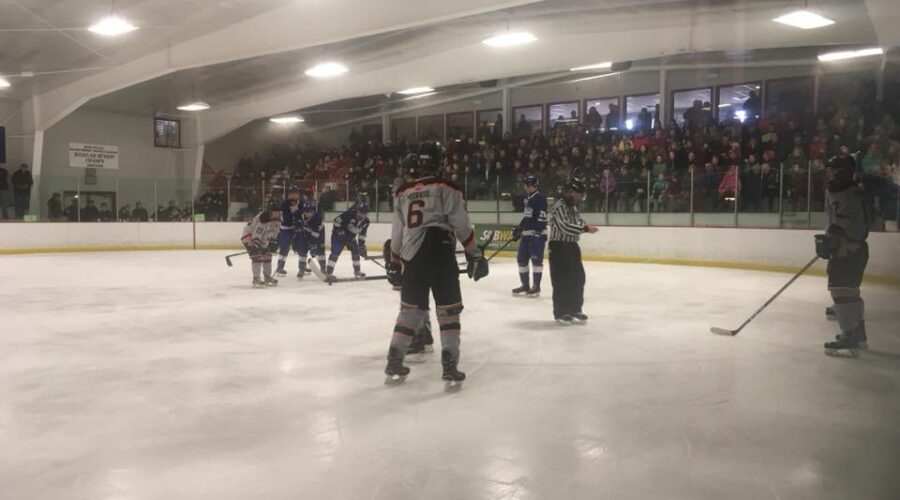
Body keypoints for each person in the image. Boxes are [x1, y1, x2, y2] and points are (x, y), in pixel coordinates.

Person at [383, 142, 488, 389]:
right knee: (448, 312)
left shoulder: (402, 192)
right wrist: (474, 254)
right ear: (440, 162)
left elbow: (397, 233)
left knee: (409, 312)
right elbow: (461, 224)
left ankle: (394, 362)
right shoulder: (446, 187)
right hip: (440, 251)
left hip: (412, 256)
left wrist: (395, 264)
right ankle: (450, 368)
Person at [819, 158, 870, 355]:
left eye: (831, 170)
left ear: (840, 172)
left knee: (841, 292)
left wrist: (828, 241)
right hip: (851, 250)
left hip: (848, 250)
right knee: (850, 293)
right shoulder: (847, 190)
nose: (828, 173)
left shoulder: (848, 193)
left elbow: (841, 222)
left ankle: (850, 336)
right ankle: (857, 335)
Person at [548, 178, 598, 325]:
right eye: (579, 195)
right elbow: (565, 226)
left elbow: (577, 221)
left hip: (572, 246)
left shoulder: (572, 207)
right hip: (559, 247)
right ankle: (561, 312)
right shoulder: (559, 207)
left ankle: (575, 309)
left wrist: (584, 225)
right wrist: (585, 229)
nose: (580, 199)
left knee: (577, 278)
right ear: (571, 193)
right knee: (561, 280)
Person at [511, 174, 547, 297]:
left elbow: (532, 218)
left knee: (536, 261)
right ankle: (525, 285)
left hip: (536, 234)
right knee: (521, 260)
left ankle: (536, 286)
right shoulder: (529, 198)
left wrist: (520, 228)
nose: (525, 187)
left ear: (533, 186)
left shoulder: (538, 198)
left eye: (527, 185)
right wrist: (520, 228)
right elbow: (527, 217)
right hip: (527, 234)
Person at [240, 201, 281, 288]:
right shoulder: (263, 218)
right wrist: (256, 246)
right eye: (275, 212)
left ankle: (267, 276)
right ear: (270, 211)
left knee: (267, 255)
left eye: (278, 212)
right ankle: (256, 278)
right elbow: (256, 235)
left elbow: (275, 233)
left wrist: (273, 243)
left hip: (263, 237)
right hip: (249, 235)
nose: (277, 214)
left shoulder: (278, 220)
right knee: (257, 255)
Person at [325, 202, 370, 281]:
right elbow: (336, 221)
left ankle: (357, 271)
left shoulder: (366, 221)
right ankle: (329, 273)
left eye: (363, 213)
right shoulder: (348, 214)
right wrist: (341, 234)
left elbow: (362, 234)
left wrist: (361, 246)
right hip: (338, 237)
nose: (361, 214)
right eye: (360, 211)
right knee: (335, 253)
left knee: (356, 253)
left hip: (351, 238)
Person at [275, 187, 303, 277]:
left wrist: (299, 221)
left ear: (298, 194)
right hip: (286, 229)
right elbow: (286, 218)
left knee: (302, 247)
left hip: (297, 229)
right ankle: (280, 266)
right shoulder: (285, 204)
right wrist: (294, 219)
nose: (293, 195)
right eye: (291, 193)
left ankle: (302, 266)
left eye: (295, 193)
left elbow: (302, 215)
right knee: (284, 248)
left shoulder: (301, 203)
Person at [297, 201, 327, 277]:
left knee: (320, 250)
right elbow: (297, 228)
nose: (310, 214)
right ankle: (301, 269)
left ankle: (323, 269)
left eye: (311, 211)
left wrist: (313, 246)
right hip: (304, 236)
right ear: (304, 212)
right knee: (302, 251)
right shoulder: (300, 217)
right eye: (307, 212)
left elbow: (316, 234)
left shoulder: (318, 218)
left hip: (318, 235)